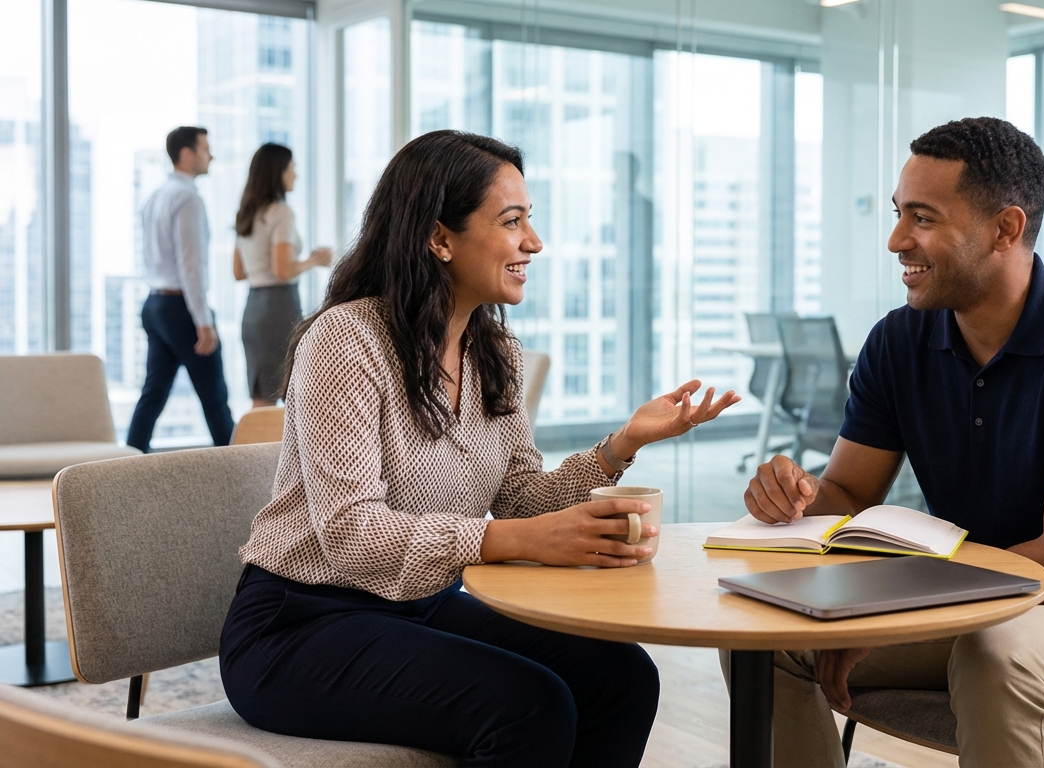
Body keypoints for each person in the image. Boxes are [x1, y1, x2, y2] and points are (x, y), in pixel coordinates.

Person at [220, 130, 741, 767]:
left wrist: (620, 446)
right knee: (527, 705)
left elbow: (521, 498)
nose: (534, 243)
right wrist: (512, 542)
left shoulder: (495, 354)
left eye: (531, 220)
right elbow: (350, 534)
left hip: (416, 605)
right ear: (440, 238)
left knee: (621, 677)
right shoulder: (345, 342)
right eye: (512, 221)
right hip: (298, 622)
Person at [741, 118, 1044, 767]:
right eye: (901, 214)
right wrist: (794, 495)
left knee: (998, 654)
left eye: (922, 219)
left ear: (1005, 229)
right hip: (977, 597)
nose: (897, 239)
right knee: (763, 640)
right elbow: (846, 492)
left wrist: (894, 610)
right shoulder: (900, 341)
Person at [126, 126, 235, 453]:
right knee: (214, 395)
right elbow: (191, 265)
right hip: (181, 309)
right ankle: (238, 472)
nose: (211, 155)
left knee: (153, 392)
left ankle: (127, 463)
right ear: (187, 154)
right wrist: (204, 321)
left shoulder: (155, 196)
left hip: (156, 305)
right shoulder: (188, 198)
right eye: (205, 149)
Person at [232, 143, 333, 406]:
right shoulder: (281, 213)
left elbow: (238, 272)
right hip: (278, 306)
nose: (295, 175)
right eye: (292, 168)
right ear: (278, 172)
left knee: (261, 399)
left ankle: (250, 449)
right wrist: (314, 260)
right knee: (290, 394)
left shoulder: (247, 213)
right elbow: (283, 270)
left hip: (253, 309)